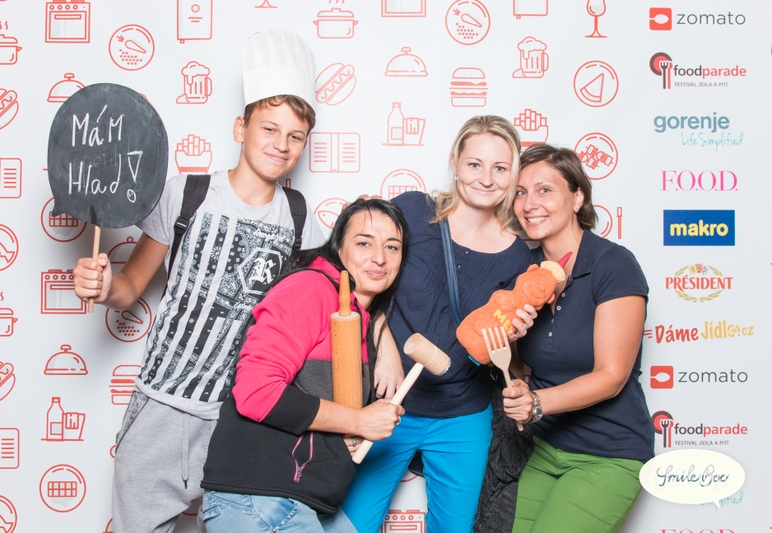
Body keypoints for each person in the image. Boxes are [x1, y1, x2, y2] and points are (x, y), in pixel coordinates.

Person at [71, 29, 325, 533]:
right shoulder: (187, 193)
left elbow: (315, 318)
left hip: (239, 421)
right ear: (240, 127)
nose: (281, 144)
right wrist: (102, 288)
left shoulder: (301, 221)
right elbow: (130, 285)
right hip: (160, 408)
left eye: (295, 136)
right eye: (269, 128)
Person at [340, 115, 537, 533]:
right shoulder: (412, 211)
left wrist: (510, 338)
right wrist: (384, 345)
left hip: (462, 414)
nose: (486, 178)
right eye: (475, 164)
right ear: (454, 162)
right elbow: (362, 281)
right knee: (350, 526)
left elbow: (493, 348)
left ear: (513, 174)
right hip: (390, 403)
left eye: (500, 168)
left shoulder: (518, 256)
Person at [200, 198, 409, 532]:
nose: (380, 258)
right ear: (338, 246)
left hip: (306, 504)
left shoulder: (360, 317)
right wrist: (359, 420)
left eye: (392, 247)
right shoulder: (310, 289)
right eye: (364, 243)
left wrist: (351, 430)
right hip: (261, 500)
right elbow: (256, 392)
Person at [502, 144, 653, 533]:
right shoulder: (528, 275)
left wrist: (537, 403)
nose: (529, 204)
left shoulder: (613, 264)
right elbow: (527, 367)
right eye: (521, 192)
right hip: (544, 448)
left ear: (578, 197)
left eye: (545, 190)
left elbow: (611, 376)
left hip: (607, 454)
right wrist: (512, 344)